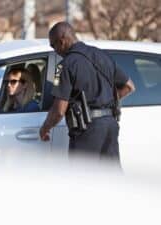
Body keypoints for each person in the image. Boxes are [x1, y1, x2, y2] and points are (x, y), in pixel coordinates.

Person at [39, 21, 135, 163]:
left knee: (82, 181)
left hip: (87, 130)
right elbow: (129, 86)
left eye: (53, 45)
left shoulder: (62, 67)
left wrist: (45, 128)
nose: (54, 50)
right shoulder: (102, 55)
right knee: (112, 182)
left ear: (62, 41)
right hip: (110, 126)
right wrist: (108, 103)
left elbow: (59, 110)